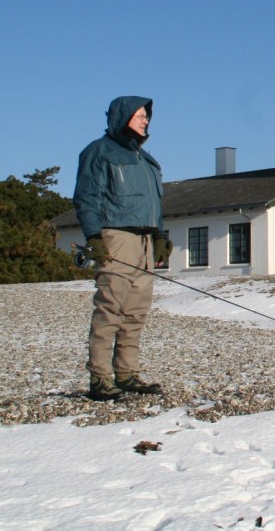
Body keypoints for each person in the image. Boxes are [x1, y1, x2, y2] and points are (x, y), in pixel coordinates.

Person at [73, 96, 172, 401]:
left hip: (143, 242)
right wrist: (94, 237)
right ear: (122, 117)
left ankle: (127, 373)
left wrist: (158, 236)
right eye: (140, 115)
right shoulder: (98, 152)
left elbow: (153, 202)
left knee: (136, 312)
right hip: (116, 237)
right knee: (110, 309)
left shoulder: (147, 159)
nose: (145, 121)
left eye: (146, 116)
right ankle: (100, 378)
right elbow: (87, 197)